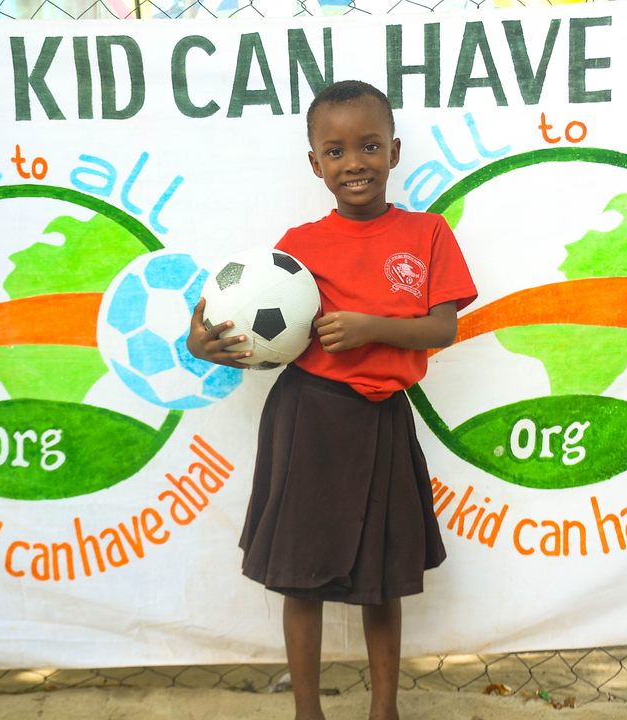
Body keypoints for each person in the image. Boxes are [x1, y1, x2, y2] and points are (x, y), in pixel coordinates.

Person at [187, 80, 477, 720]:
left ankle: (384, 710)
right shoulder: (297, 246)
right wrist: (202, 340)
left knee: (383, 574)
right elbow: (242, 319)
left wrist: (371, 327)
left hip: (381, 417)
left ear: (394, 152)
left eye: (370, 146)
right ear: (315, 163)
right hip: (307, 417)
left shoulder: (428, 233)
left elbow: (443, 328)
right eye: (336, 151)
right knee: (300, 572)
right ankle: (307, 712)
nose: (354, 163)